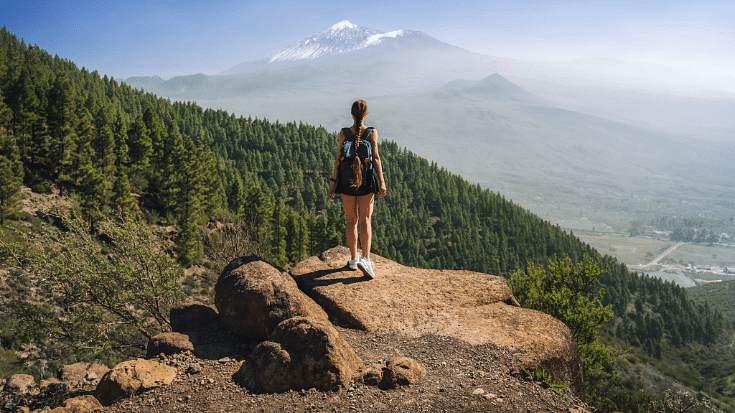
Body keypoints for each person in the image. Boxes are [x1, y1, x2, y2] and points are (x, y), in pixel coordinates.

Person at [327, 100, 387, 279]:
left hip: (346, 181)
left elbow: (338, 159)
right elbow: (375, 158)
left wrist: (333, 184)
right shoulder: (371, 133)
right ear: (366, 115)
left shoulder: (344, 133)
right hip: (366, 181)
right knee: (365, 220)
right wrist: (382, 182)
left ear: (352, 115)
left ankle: (354, 259)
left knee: (351, 220)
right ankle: (366, 259)